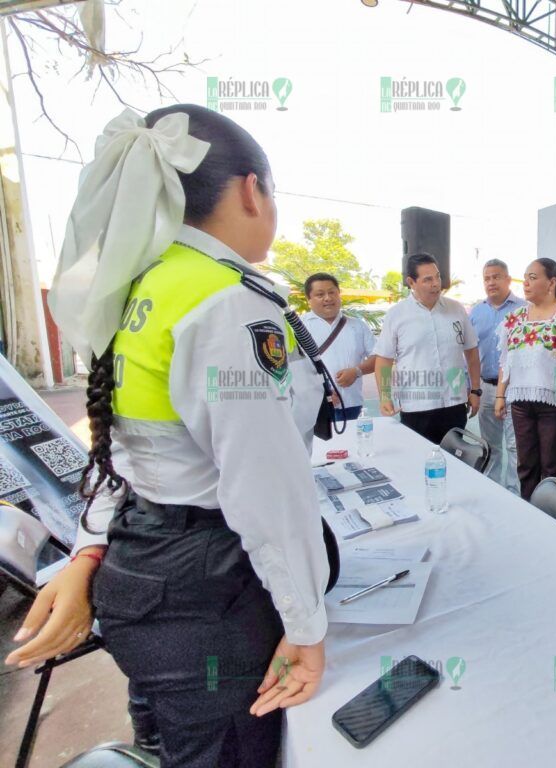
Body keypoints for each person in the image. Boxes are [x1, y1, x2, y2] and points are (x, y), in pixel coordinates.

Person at [5, 105, 330, 767]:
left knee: (173, 744)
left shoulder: (140, 291)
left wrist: (89, 555)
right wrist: (306, 628)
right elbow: (266, 490)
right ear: (251, 189)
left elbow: (118, 456)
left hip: (145, 579)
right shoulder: (227, 300)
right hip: (209, 595)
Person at [495, 258, 556, 501]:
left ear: (552, 282)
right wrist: (499, 395)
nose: (525, 282)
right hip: (520, 403)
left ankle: (551, 521)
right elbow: (506, 361)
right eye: (525, 277)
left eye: (533, 277)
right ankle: (529, 514)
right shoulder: (514, 319)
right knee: (525, 467)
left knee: (551, 470)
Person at [375, 253, 482, 444]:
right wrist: (385, 396)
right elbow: (384, 359)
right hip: (417, 405)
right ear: (411, 282)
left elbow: (472, 352)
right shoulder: (397, 315)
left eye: (438, 277)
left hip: (454, 403)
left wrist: (475, 390)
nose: (436, 283)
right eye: (427, 279)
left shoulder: (456, 309)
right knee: (418, 461)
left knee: (455, 460)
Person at [469, 259, 525, 492]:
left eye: (496, 277)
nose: (491, 282)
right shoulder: (476, 312)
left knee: (515, 446)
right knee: (490, 446)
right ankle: (493, 491)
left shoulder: (523, 309)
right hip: (486, 388)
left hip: (516, 388)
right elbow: (468, 354)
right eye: (487, 278)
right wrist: (470, 388)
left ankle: (514, 493)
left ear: (508, 280)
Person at [301, 272, 375, 422]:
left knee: (351, 444)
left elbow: (378, 358)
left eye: (332, 292)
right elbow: (290, 369)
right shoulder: (299, 327)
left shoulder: (358, 326)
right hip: (314, 407)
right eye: (320, 294)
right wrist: (320, 390)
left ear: (339, 294)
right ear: (309, 299)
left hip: (352, 405)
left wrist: (356, 371)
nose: (328, 298)